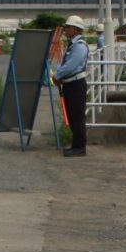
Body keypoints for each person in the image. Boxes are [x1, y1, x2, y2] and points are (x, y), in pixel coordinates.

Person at [53, 15, 91, 156]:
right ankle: (76, 146)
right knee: (73, 116)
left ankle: (80, 147)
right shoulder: (73, 45)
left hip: (76, 85)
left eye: (67, 27)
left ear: (75, 30)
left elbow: (70, 66)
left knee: (77, 117)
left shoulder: (80, 46)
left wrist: (57, 76)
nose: (65, 30)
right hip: (71, 84)